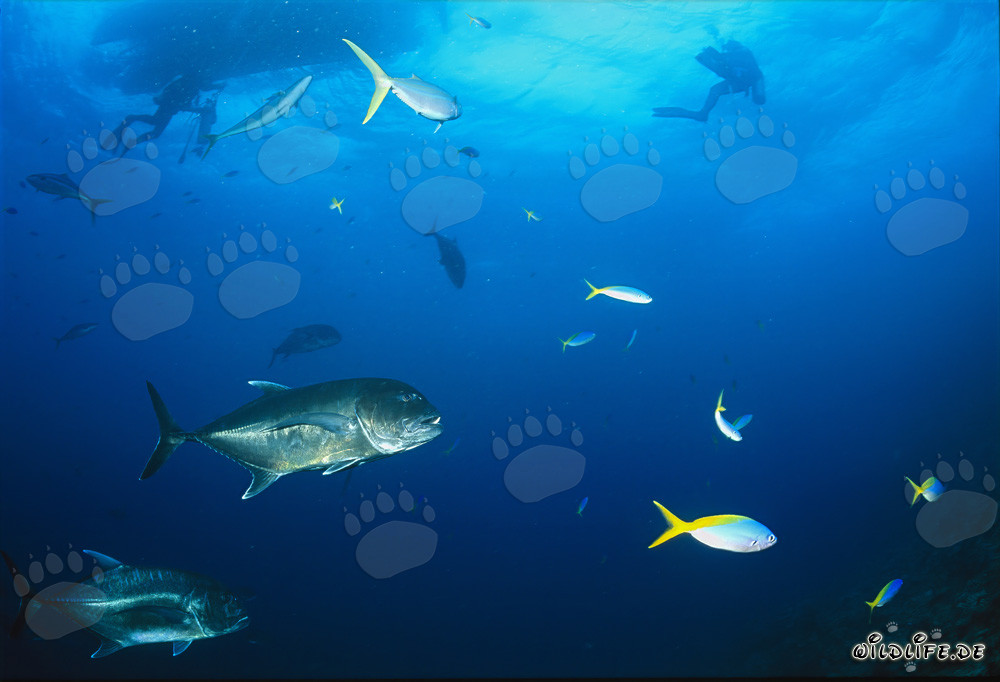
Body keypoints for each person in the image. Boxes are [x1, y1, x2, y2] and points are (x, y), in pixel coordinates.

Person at [653, 40, 765, 122]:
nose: (726, 48)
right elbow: (726, 61)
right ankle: (703, 113)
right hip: (740, 80)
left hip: (743, 81)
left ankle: (703, 113)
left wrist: (710, 53)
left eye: (728, 46)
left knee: (715, 89)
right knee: (714, 90)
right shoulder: (739, 53)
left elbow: (726, 58)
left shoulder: (742, 51)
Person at [113, 74, 224, 147]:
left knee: (155, 129)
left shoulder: (192, 84)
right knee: (155, 124)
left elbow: (202, 89)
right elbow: (203, 87)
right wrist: (219, 85)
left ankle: (132, 141)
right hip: (169, 106)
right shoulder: (190, 82)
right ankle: (131, 119)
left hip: (171, 108)